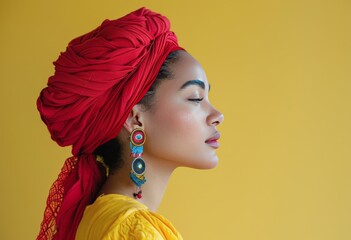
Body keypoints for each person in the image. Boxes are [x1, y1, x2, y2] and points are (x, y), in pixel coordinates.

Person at [36, 7, 223, 240]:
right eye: (195, 97)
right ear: (135, 119)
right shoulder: (134, 231)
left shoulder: (102, 217)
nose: (217, 115)